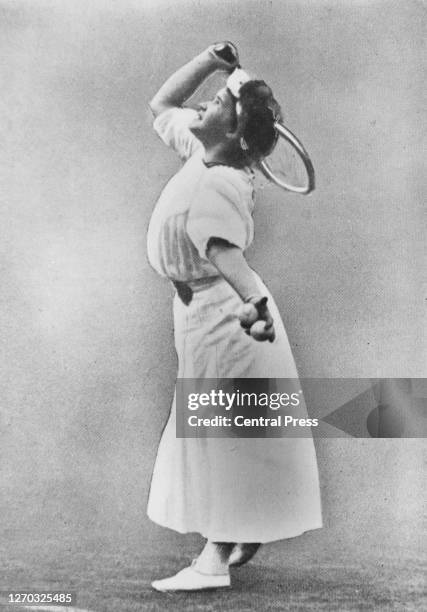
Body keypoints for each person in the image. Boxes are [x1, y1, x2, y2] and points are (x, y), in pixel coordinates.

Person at [146, 43, 322, 591]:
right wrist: (210, 61)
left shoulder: (220, 181)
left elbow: (229, 260)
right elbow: (161, 104)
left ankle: (213, 562)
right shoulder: (205, 149)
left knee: (222, 430)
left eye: (218, 102)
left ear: (237, 136)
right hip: (204, 317)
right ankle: (243, 531)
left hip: (232, 323)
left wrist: (257, 309)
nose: (203, 104)